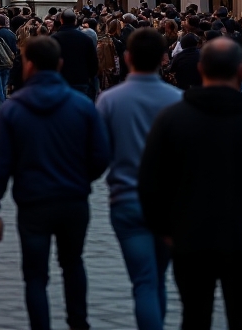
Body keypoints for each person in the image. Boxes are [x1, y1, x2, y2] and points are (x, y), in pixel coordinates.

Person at [0, 34, 110, 330]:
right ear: (60, 65)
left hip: (33, 202)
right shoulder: (82, 105)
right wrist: (81, 179)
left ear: (28, 65)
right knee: (73, 263)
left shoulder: (13, 109)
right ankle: (79, 324)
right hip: (73, 200)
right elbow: (101, 155)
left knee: (35, 275)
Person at [139, 36, 242, 330]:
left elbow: (149, 182)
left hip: (190, 238)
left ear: (201, 70)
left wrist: (165, 230)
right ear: (241, 72)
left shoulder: (172, 118)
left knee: (195, 315)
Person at [97, 28, 182, 330]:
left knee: (144, 281)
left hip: (127, 201)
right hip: (170, 204)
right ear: (163, 57)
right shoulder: (179, 101)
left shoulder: (109, 101)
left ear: (128, 57)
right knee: (157, 276)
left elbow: (98, 154)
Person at [54, 9, 100, 98]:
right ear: (75, 21)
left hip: (60, 82)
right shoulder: (86, 39)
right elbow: (93, 62)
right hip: (81, 81)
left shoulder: (53, 39)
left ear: (61, 20)